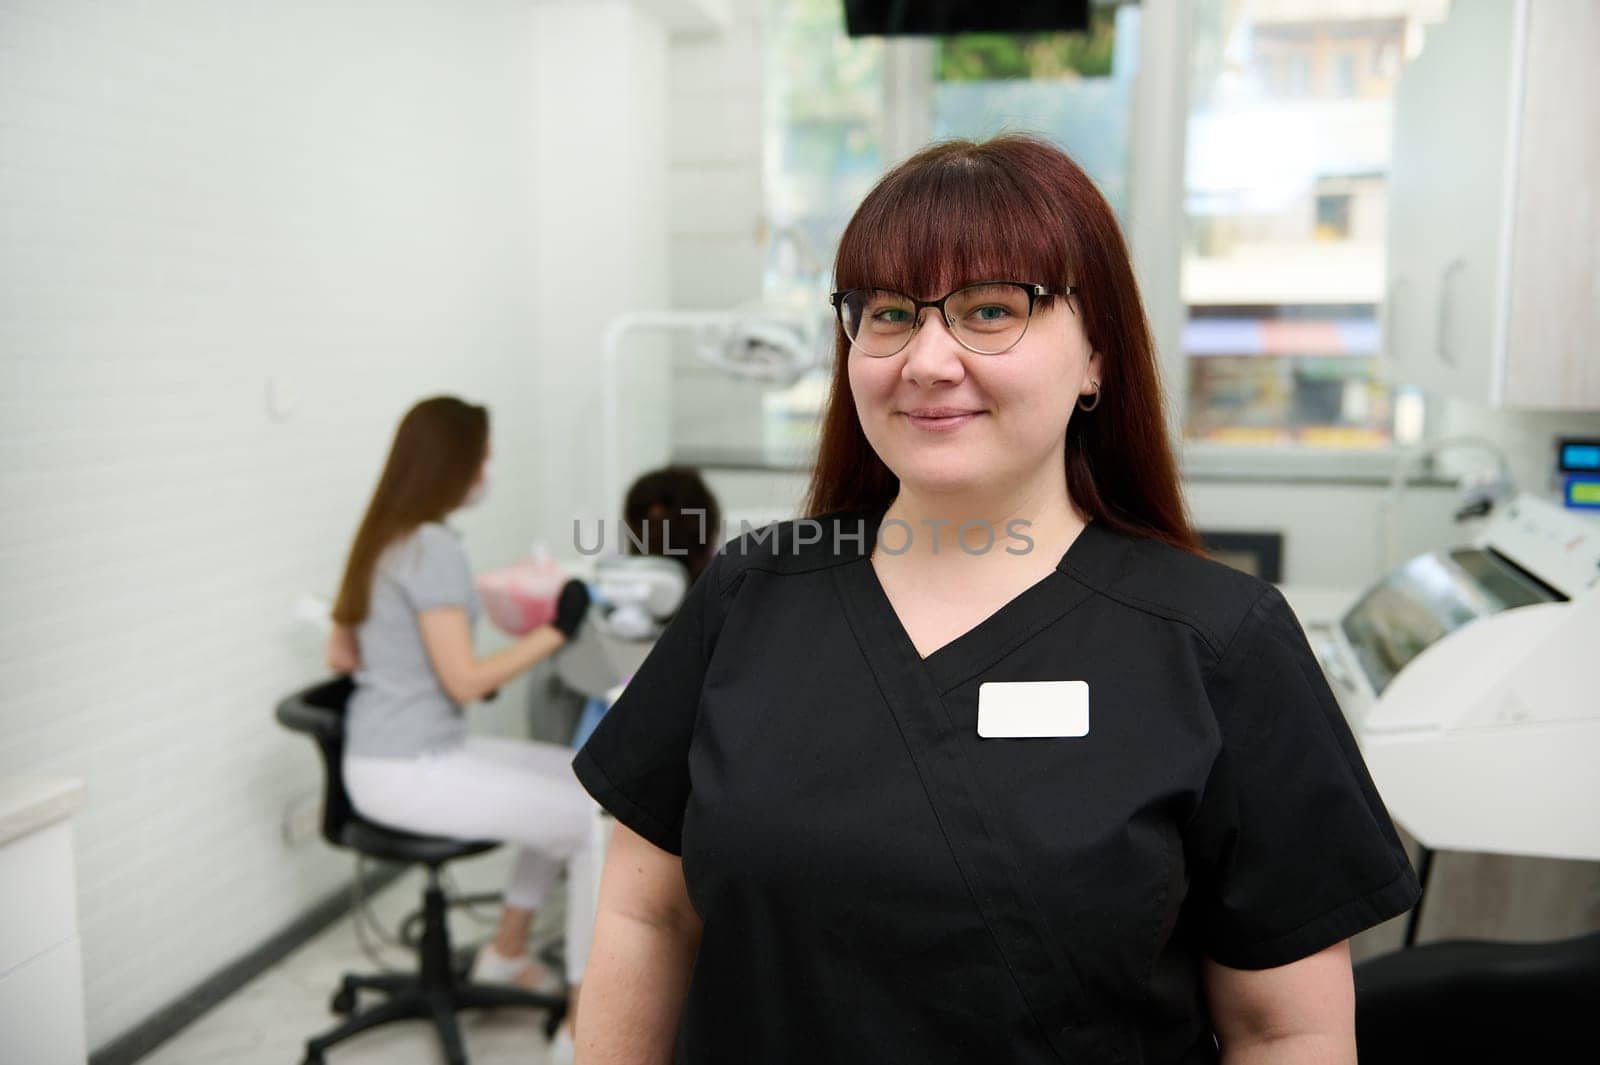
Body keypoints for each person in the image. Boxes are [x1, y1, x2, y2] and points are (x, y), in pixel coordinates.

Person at [568, 136, 1422, 1064]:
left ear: (1097, 353)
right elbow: (645, 916)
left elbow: (1285, 1029)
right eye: (889, 313)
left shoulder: (1220, 643)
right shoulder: (747, 596)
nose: (928, 360)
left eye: (990, 309)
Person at [325, 396, 594, 1058]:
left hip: (384, 755)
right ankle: (588, 1021)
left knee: (586, 780)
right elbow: (466, 681)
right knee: (595, 823)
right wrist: (561, 627)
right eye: (484, 456)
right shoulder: (431, 547)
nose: (489, 468)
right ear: (455, 465)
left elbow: (342, 655)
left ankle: (505, 954)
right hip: (413, 767)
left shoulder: (381, 539)